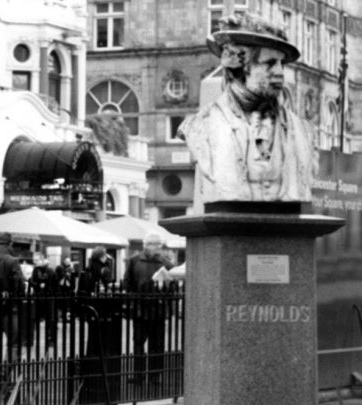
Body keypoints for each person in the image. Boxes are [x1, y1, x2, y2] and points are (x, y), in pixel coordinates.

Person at [179, 12, 317, 207]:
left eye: (281, 64)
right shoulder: (202, 126)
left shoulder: (303, 131)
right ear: (238, 64)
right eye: (269, 63)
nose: (279, 72)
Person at [123, 232, 174, 385]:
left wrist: (164, 290)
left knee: (156, 344)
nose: (157, 248)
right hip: (142, 308)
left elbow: (172, 287)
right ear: (146, 245)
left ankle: (153, 375)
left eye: (158, 245)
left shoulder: (166, 263)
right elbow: (127, 283)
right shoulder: (134, 261)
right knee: (140, 343)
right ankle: (141, 375)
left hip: (156, 309)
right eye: (154, 244)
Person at [0, 233, 26, 363]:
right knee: (14, 344)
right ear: (9, 243)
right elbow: (19, 285)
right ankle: (6, 375)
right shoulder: (12, 260)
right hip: (10, 309)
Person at [28, 252, 57, 348]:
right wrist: (36, 284)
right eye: (34, 260)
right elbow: (32, 281)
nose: (34, 262)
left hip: (48, 298)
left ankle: (50, 340)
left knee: (50, 320)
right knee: (33, 319)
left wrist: (45, 287)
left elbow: (54, 285)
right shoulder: (35, 270)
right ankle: (30, 340)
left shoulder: (50, 271)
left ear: (42, 259)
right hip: (38, 298)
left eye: (36, 260)